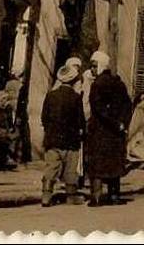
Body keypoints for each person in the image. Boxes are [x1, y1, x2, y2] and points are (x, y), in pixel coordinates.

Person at [85, 50, 133, 206]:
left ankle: (96, 197)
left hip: (101, 130)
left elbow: (98, 108)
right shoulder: (118, 83)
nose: (92, 69)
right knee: (114, 163)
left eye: (94, 66)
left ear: (101, 66)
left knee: (97, 165)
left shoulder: (97, 84)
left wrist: (112, 122)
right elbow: (128, 105)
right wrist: (122, 123)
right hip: (116, 132)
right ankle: (114, 196)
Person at [40, 64, 86, 206]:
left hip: (52, 139)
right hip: (70, 140)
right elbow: (80, 120)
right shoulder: (76, 98)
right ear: (73, 80)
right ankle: (71, 196)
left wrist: (50, 130)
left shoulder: (50, 96)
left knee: (51, 168)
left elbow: (44, 117)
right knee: (70, 170)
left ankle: (46, 196)